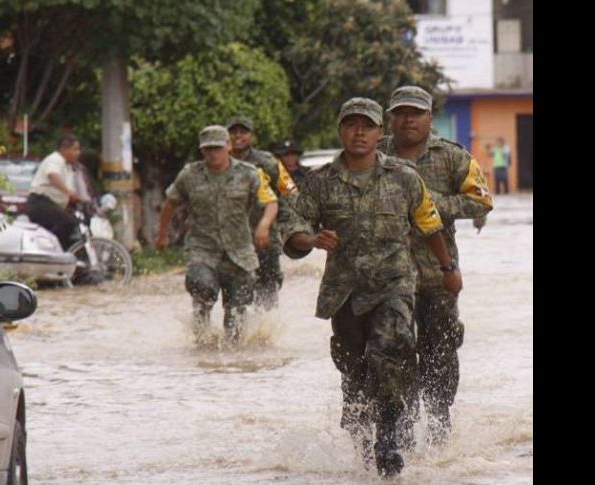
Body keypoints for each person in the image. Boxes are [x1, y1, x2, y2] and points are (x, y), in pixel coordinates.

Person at [281, 97, 462, 477]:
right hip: (344, 292)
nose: (359, 132)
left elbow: (430, 224)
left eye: (367, 126)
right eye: (351, 125)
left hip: (394, 286)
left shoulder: (404, 177)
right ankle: (361, 440)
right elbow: (293, 227)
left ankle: (389, 436)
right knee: (354, 371)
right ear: (341, 130)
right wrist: (311, 239)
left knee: (388, 356)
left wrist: (448, 269)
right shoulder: (319, 183)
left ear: (380, 132)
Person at [378, 85, 493, 448]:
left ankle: (440, 425)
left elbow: (481, 202)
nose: (408, 120)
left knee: (440, 353)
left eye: (416, 113)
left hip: (437, 273)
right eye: (401, 113)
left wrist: (428, 202)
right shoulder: (374, 154)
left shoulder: (451, 157)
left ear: (430, 118)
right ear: (390, 119)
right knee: (394, 352)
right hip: (385, 275)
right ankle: (404, 428)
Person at [156, 125, 278, 343]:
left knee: (237, 310)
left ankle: (233, 358)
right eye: (208, 149)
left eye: (218, 148)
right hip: (203, 248)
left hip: (239, 251)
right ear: (202, 151)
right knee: (202, 286)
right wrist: (162, 234)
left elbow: (270, 202)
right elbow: (170, 203)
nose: (213, 153)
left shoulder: (249, 173)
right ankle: (202, 342)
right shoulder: (190, 175)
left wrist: (264, 225)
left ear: (228, 147)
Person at [226, 115, 298, 310]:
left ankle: (264, 334)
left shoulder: (266, 162)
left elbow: (290, 191)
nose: (238, 136)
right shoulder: (219, 161)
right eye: (233, 132)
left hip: (265, 237)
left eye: (243, 131)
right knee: (234, 291)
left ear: (252, 136)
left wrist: (287, 223)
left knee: (267, 287)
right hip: (232, 239)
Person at [26, 134, 84, 249]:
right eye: (75, 149)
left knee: (70, 221)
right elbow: (53, 175)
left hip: (50, 204)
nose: (78, 153)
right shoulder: (55, 159)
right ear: (64, 149)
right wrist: (69, 192)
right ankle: (55, 250)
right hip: (40, 202)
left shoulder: (67, 166)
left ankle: (54, 249)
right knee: (67, 222)